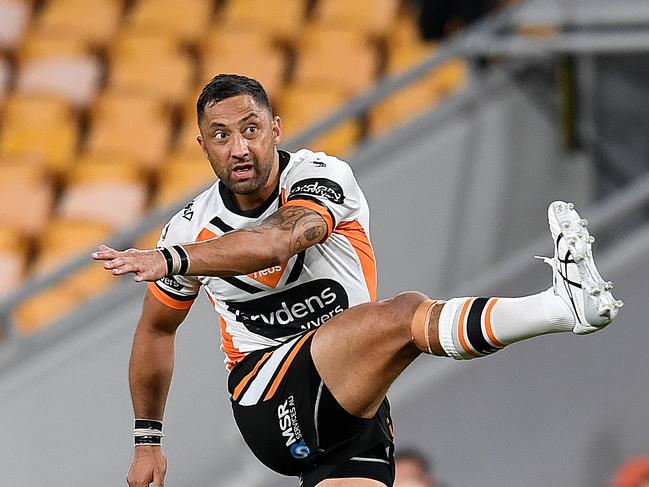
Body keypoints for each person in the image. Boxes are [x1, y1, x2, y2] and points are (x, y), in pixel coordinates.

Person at [92, 74, 623, 487]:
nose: (238, 148)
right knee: (404, 316)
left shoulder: (321, 177)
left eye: (250, 129)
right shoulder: (190, 227)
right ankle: (560, 308)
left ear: (275, 128)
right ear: (202, 146)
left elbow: (283, 238)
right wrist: (147, 441)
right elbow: (156, 332)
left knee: (391, 325)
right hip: (269, 396)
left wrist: (177, 260)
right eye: (221, 136)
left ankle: (564, 307)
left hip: (354, 398)